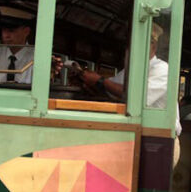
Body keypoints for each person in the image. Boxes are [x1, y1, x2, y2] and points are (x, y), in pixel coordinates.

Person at [78, 23, 182, 162]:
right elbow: (112, 89)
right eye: (131, 44)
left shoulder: (162, 69)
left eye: (139, 43)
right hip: (139, 137)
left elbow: (136, 97)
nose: (132, 48)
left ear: (153, 46)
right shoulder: (131, 69)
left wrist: (100, 80)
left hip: (160, 139)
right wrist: (89, 82)